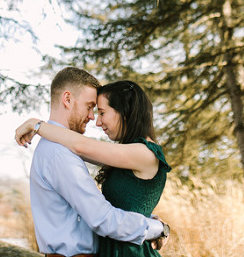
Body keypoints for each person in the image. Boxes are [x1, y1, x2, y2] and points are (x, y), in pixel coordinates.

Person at [16, 71, 171, 257]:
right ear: (67, 99)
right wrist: (156, 227)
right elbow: (103, 218)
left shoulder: (142, 153)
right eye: (90, 107)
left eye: (101, 112)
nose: (94, 119)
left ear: (124, 112)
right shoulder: (59, 152)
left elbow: (82, 147)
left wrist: (37, 125)